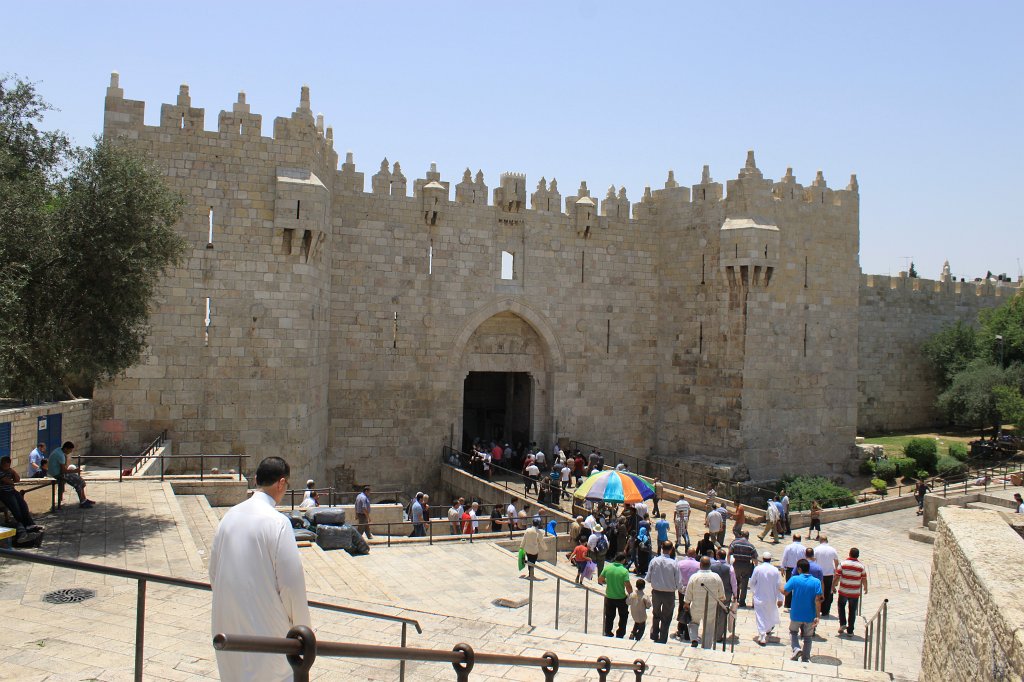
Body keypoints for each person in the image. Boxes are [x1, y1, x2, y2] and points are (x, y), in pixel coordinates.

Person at [210, 456, 310, 682]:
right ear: (281, 483)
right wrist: (303, 630)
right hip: (267, 630)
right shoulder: (278, 522)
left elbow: (214, 572)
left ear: (256, 479)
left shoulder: (229, 517)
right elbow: (291, 586)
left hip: (228, 625)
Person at [784, 558, 823, 662]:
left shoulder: (795, 579)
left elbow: (785, 592)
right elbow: (818, 600)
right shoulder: (816, 582)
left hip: (796, 613)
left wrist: (777, 586)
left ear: (799, 569)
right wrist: (817, 616)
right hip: (810, 614)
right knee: (808, 637)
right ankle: (805, 658)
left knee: (793, 632)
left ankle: (796, 649)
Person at [683, 555, 725, 648]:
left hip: (696, 606)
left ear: (700, 565)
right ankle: (706, 646)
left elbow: (689, 591)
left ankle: (694, 638)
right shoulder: (716, 577)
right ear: (710, 565)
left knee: (693, 623)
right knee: (709, 627)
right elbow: (721, 594)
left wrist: (686, 602)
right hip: (711, 607)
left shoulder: (694, 577)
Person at [646, 540, 681, 643]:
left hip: (656, 592)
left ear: (661, 548)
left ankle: (654, 634)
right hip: (669, 594)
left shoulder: (654, 561)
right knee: (667, 617)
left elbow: (648, 578)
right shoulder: (674, 563)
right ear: (671, 550)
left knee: (656, 614)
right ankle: (662, 638)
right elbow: (678, 581)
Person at [0, 456, 42, 538]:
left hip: (12, 491)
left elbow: (17, 479)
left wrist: (12, 471)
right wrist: (11, 481)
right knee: (16, 509)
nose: (6, 467)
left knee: (23, 505)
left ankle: (30, 524)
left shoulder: (9, 470)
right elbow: (9, 482)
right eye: (5, 465)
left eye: (8, 466)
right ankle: (23, 525)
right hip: (4, 492)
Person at [749, 551, 784, 646]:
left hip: (759, 596)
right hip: (771, 597)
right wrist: (780, 599)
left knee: (760, 616)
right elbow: (779, 585)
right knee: (768, 614)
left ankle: (762, 635)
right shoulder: (775, 570)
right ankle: (765, 631)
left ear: (763, 559)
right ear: (770, 559)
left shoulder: (758, 569)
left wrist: (754, 591)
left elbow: (752, 582)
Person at [48, 441, 93, 509]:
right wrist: (75, 471)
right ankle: (82, 502)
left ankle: (84, 499)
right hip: (57, 473)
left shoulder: (59, 450)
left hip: (58, 471)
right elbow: (64, 471)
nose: (70, 452)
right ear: (66, 448)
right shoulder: (61, 455)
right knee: (78, 483)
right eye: (70, 450)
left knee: (80, 480)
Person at [835, 547, 868, 637]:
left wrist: (833, 585)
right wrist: (865, 587)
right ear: (858, 555)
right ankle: (850, 630)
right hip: (854, 592)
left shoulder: (843, 564)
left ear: (849, 554)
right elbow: (864, 578)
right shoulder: (861, 566)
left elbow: (837, 576)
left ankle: (842, 623)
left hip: (843, 591)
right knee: (852, 611)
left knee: (841, 607)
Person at [599, 552, 633, 638]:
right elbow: (628, 586)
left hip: (609, 597)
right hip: (621, 598)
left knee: (609, 616)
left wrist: (608, 582)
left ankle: (608, 632)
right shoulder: (624, 571)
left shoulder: (608, 567)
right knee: (623, 616)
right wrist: (631, 594)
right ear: (623, 560)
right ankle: (620, 633)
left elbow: (600, 580)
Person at [710, 548, 737, 642]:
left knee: (712, 613)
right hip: (726, 594)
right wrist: (735, 594)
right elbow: (733, 582)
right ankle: (718, 635)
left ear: (717, 556)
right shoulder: (730, 568)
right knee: (722, 614)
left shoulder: (711, 566)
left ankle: (710, 633)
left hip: (713, 593)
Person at [673, 548, 701, 641]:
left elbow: (676, 576)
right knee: (691, 609)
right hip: (693, 590)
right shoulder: (698, 565)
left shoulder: (680, 563)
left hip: (682, 589)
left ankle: (681, 628)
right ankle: (688, 631)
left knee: (682, 607)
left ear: (687, 554)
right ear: (695, 554)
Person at [728, 530, 758, 607]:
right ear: (748, 537)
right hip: (746, 565)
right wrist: (756, 567)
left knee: (736, 582)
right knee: (744, 584)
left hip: (736, 564)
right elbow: (755, 558)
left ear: (741, 535)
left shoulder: (735, 543)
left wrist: (728, 564)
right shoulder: (751, 546)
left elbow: (729, 554)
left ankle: (735, 598)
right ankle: (742, 602)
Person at [813, 535, 840, 618]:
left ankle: (817, 609)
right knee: (828, 593)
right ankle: (825, 611)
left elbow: (813, 561)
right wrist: (836, 573)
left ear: (820, 540)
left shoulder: (816, 549)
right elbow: (836, 562)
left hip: (818, 574)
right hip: (829, 574)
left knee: (818, 591)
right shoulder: (832, 550)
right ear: (827, 540)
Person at [780, 533, 806, 608]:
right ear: (800, 539)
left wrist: (782, 568)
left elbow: (785, 557)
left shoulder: (788, 547)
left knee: (789, 586)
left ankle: (788, 604)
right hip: (800, 569)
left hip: (790, 569)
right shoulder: (804, 548)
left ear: (793, 539)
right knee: (799, 586)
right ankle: (797, 603)